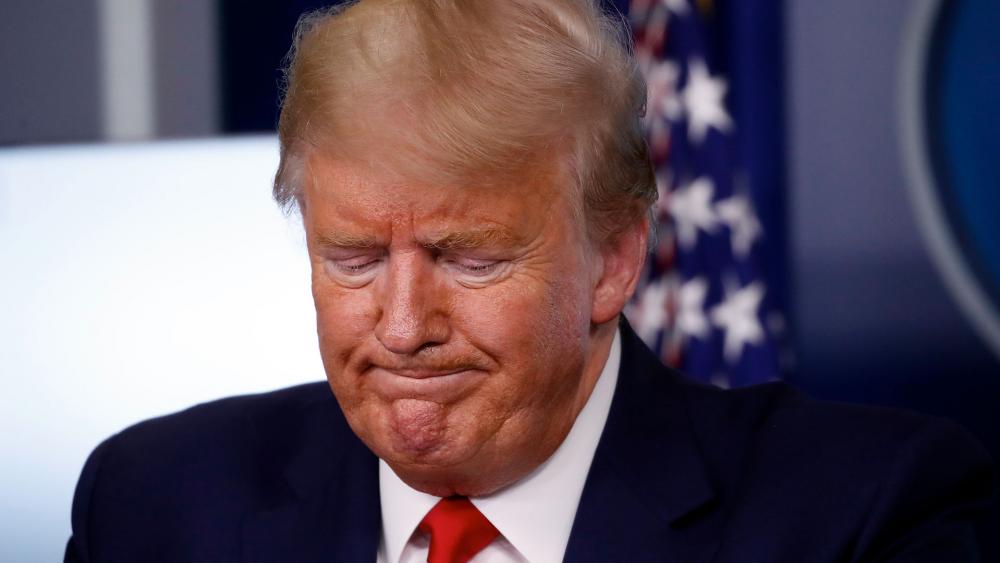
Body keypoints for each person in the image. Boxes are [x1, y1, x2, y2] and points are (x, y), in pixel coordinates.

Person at [65, 0, 995, 561]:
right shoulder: (154, 506)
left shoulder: (863, 517)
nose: (401, 326)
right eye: (352, 257)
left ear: (615, 260)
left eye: (467, 258)